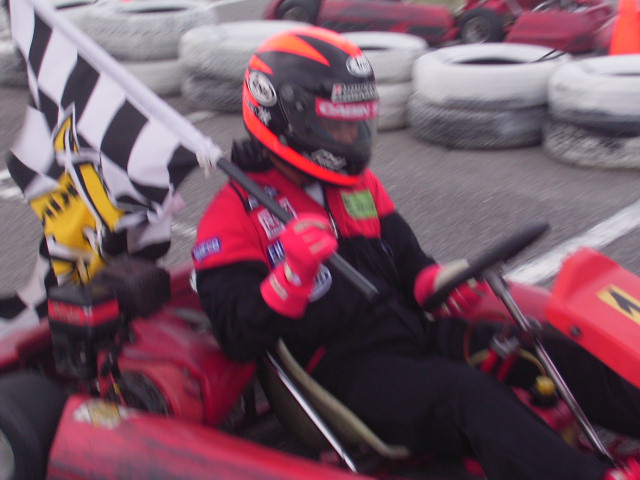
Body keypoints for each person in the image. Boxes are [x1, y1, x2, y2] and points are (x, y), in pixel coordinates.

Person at [192, 26, 640, 480]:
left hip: (410, 334)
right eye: (336, 125)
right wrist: (294, 275)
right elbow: (237, 337)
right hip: (346, 371)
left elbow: (409, 264)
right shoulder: (233, 217)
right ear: (285, 120)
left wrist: (437, 283)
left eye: (356, 123)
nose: (350, 136)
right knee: (469, 395)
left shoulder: (357, 187)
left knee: (542, 349)